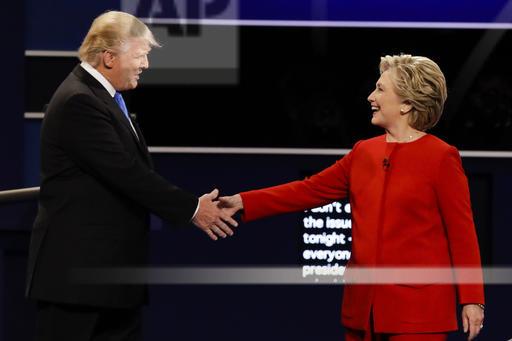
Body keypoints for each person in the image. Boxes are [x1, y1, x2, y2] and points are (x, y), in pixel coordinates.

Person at [219, 55, 485, 341]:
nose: (371, 97)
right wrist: (244, 201)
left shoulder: (441, 157)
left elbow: (462, 232)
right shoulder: (364, 153)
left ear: (407, 104)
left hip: (417, 313)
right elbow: (308, 190)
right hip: (362, 310)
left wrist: (472, 299)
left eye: (381, 89)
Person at [25, 11, 237, 341]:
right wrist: (193, 210)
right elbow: (128, 174)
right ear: (109, 57)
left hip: (109, 281)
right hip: (77, 283)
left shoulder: (105, 99)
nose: (145, 65)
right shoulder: (78, 101)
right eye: (140, 55)